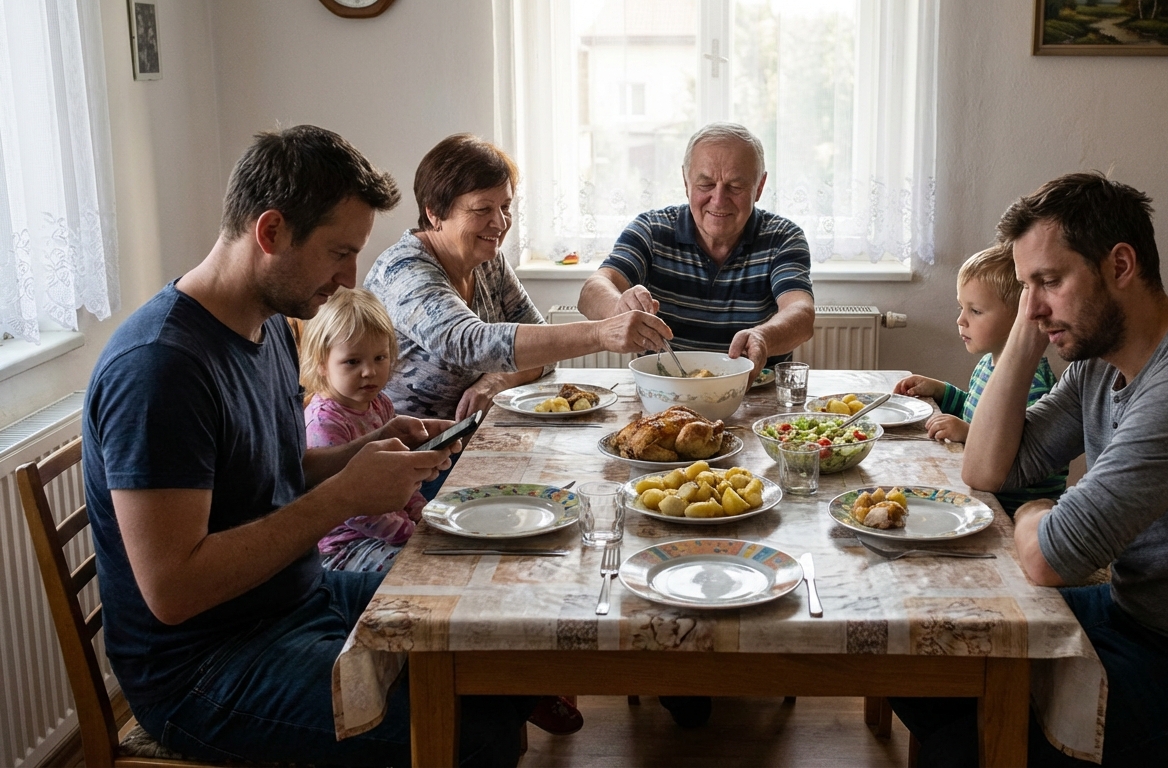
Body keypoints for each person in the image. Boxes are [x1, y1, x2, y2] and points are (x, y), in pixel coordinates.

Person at [82, 125, 534, 766]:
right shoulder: (160, 369)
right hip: (205, 667)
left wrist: (364, 449)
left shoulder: (262, 326)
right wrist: (343, 497)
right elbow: (174, 587)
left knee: (502, 651)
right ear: (270, 233)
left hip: (295, 597)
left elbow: (267, 472)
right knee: (471, 726)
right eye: (337, 253)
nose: (351, 278)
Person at [891, 172, 1168, 767]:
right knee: (919, 663)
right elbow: (987, 468)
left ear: (1120, 266)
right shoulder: (1099, 362)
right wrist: (1026, 334)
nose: (1036, 305)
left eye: (1049, 281)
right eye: (1025, 288)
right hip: (1141, 617)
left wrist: (1042, 512)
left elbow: (1051, 558)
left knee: (961, 746)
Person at [364, 133, 672, 422]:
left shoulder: (488, 260)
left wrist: (494, 381)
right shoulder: (403, 269)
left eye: (506, 206)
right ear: (434, 213)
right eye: (483, 209)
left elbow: (542, 354)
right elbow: (471, 344)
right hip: (406, 451)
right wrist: (602, 333)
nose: (499, 222)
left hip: (470, 438)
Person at [577, 122, 815, 383]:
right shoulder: (651, 230)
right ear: (686, 181)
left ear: (759, 187)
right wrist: (618, 307)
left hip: (755, 396)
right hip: (665, 397)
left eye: (735, 186)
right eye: (706, 184)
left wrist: (763, 337)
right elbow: (592, 290)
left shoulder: (783, 237)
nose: (718, 199)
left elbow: (802, 313)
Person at [892, 243, 1067, 514]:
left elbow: (1020, 453)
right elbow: (975, 410)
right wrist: (941, 391)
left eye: (975, 311)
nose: (961, 320)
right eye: (962, 307)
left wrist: (968, 434)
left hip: (1013, 511)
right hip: (980, 495)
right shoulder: (987, 364)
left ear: (1018, 317)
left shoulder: (1034, 384)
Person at [300, 288, 424, 573]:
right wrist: (409, 531)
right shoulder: (324, 422)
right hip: (346, 548)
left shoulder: (380, 403)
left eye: (379, 358)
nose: (369, 371)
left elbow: (403, 470)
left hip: (390, 528)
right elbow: (353, 508)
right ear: (322, 363)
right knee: (416, 569)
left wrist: (420, 510)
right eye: (353, 362)